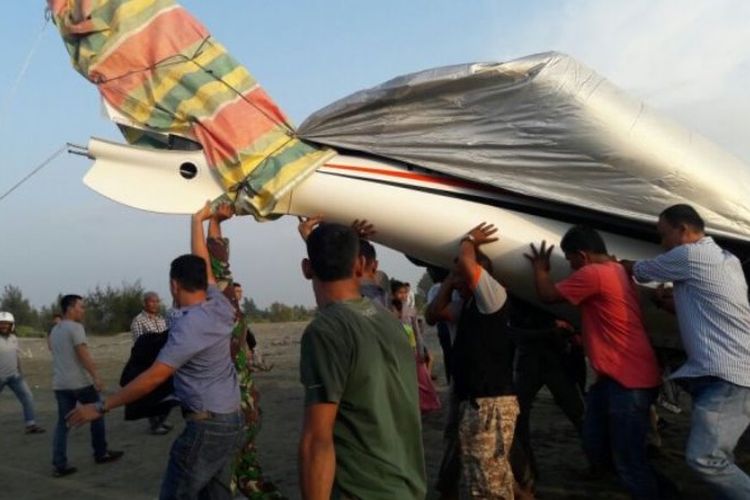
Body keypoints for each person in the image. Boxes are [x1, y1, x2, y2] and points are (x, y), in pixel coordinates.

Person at [67, 202, 242, 499]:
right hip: (231, 419)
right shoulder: (220, 305)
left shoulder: (188, 327)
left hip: (207, 425)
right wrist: (197, 219)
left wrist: (100, 407)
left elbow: (153, 377)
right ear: (203, 281)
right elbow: (203, 263)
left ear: (174, 285)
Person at [526, 225, 666, 499]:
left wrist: (541, 269)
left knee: (630, 462)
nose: (570, 265)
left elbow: (548, 296)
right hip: (617, 377)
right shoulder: (614, 269)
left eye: (570, 259)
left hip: (629, 380)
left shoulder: (594, 273)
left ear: (582, 255)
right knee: (594, 439)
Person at [622, 204, 750, 498]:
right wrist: (668, 302)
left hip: (726, 376)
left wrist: (614, 263)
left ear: (682, 231)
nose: (661, 243)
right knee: (719, 458)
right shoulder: (727, 260)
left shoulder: (690, 255)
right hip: (732, 373)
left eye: (663, 235)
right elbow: (709, 310)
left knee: (706, 460)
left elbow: (639, 271)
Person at [297, 218, 426, 499]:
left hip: (363, 490)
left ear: (307, 269)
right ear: (359, 265)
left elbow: (317, 440)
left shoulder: (326, 330)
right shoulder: (387, 319)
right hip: (406, 485)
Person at [428, 222, 518, 498]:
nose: (457, 280)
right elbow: (433, 314)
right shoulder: (467, 305)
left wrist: (470, 240)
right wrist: (449, 281)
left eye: (460, 275)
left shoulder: (492, 297)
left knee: (487, 483)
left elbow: (468, 261)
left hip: (490, 404)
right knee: (485, 475)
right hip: (476, 402)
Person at [206, 212, 281, 497]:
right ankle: (235, 484)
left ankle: (249, 480)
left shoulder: (232, 312)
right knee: (233, 443)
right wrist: (206, 219)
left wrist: (213, 221)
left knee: (249, 435)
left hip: (243, 386)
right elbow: (217, 264)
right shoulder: (216, 310)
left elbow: (219, 265)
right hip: (228, 393)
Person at [506, 297, 585, 495]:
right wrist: (550, 332)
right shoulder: (519, 298)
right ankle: (526, 469)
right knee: (519, 417)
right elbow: (514, 334)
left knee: (577, 412)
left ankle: (600, 460)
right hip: (533, 363)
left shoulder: (538, 294)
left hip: (551, 362)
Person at [50, 294, 123, 477]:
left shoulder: (56, 330)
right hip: (80, 383)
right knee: (97, 413)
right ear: (70, 308)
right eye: (81, 307)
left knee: (63, 423)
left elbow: (55, 351)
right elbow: (83, 354)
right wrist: (96, 376)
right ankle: (101, 453)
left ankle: (60, 463)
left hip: (60, 384)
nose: (83, 310)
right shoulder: (75, 328)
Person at [391, 279, 441, 414]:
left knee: (419, 380)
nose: (403, 296)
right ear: (392, 294)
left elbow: (417, 333)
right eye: (399, 293)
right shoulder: (389, 312)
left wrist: (420, 350)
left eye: (404, 293)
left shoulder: (411, 311)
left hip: (411, 349)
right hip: (396, 350)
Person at [130, 292, 172, 435]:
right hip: (148, 362)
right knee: (151, 394)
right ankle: (155, 424)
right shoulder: (138, 321)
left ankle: (161, 420)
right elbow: (139, 343)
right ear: (145, 303)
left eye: (157, 301)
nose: (154, 304)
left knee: (166, 393)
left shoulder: (162, 319)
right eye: (151, 301)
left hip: (164, 360)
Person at [0, 311, 45, 434]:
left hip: (14, 376)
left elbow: (16, 356)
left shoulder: (14, 338)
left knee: (28, 397)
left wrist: (20, 371)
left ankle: (31, 425)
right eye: (1, 324)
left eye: (6, 324)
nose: (4, 326)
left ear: (12, 325)